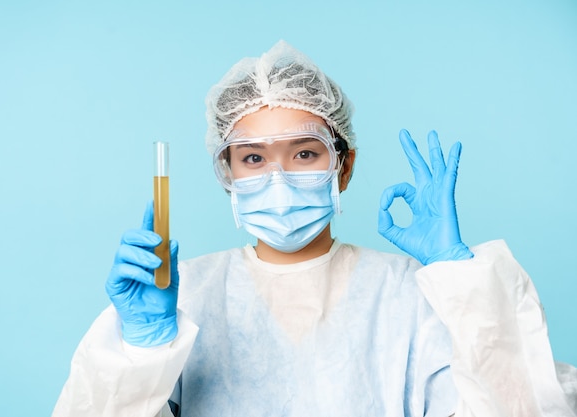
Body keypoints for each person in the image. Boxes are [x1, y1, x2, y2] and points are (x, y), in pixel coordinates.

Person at [53, 41, 577, 417]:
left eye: (305, 153)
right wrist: (142, 350)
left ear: (342, 168)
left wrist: (466, 284)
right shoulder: (178, 296)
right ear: (227, 176)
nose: (277, 178)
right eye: (253, 157)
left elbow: (527, 408)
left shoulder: (412, 298)